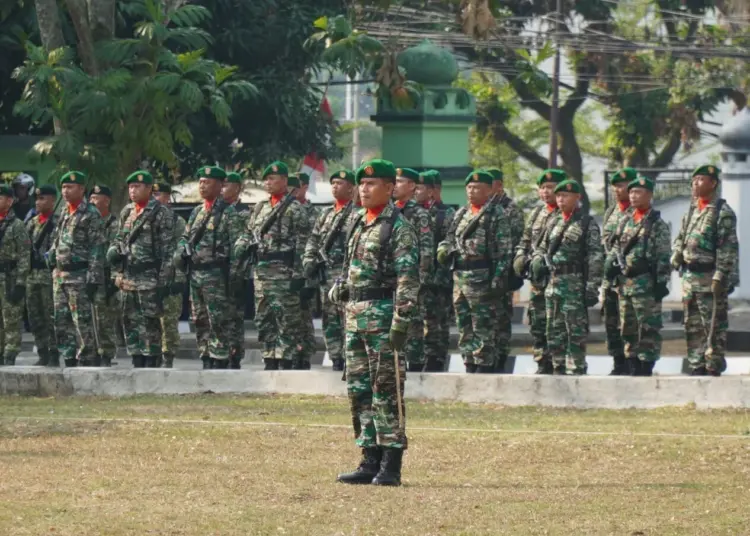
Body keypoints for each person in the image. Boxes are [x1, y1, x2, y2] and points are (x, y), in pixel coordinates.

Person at [331, 158, 419, 487]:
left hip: (383, 318)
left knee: (386, 391)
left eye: (371, 184)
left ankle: (391, 464)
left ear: (389, 188)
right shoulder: (358, 221)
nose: (364, 190)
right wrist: (341, 288)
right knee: (359, 392)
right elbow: (351, 268)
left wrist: (401, 322)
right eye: (362, 184)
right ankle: (368, 458)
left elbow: (408, 279)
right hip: (355, 316)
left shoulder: (398, 227)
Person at [235, 162, 308, 370]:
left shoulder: (295, 209)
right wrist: (241, 247)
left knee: (286, 317)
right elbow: (248, 233)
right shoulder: (260, 207)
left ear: (285, 181)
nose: (268, 183)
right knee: (264, 317)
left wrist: (299, 275)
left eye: (273, 179)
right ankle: (269, 355)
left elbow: (303, 244)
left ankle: (286, 357)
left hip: (284, 272)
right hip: (262, 271)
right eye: (266, 179)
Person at [437, 170, 512, 373]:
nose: (472, 191)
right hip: (460, 277)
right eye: (469, 187)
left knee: (483, 325)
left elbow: (504, 252)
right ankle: (468, 361)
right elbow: (449, 238)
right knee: (464, 324)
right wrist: (443, 249)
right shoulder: (462, 213)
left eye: (477, 187)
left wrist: (498, 279)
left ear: (489, 190)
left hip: (482, 278)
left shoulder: (496, 215)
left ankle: (484, 364)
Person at [671, 165, 739, 376]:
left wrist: (721, 274)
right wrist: (676, 253)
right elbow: (681, 238)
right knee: (692, 324)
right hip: (690, 277)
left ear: (713, 183)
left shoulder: (721, 212)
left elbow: (727, 247)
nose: (695, 184)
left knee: (712, 325)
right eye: (694, 180)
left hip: (710, 277)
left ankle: (713, 365)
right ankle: (696, 363)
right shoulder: (692, 210)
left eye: (700, 180)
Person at [531, 179, 603, 375]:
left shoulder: (586, 223)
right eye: (559, 195)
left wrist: (592, 287)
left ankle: (577, 368)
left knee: (575, 330)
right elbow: (541, 248)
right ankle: (557, 367)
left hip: (574, 284)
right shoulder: (553, 222)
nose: (561, 199)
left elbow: (595, 257)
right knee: (553, 330)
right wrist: (537, 261)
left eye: (566, 196)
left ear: (577, 198)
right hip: (552, 284)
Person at [605, 176, 671, 376]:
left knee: (648, 326)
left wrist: (661, 282)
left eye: (638, 192)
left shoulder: (656, 223)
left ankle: (646, 363)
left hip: (646, 283)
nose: (633, 196)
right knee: (627, 326)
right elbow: (614, 245)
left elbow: (663, 255)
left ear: (649, 195)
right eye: (631, 192)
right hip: (625, 283)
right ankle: (631, 360)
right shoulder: (625, 220)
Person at [176, 166, 241, 369]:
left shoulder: (229, 213)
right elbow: (185, 238)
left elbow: (237, 247)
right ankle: (205, 353)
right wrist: (180, 252)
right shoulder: (196, 211)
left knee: (219, 318)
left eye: (208, 182)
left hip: (217, 274)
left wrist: (234, 277)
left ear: (220, 185)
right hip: (196, 273)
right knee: (199, 318)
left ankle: (220, 356)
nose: (203, 186)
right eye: (201, 182)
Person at [108, 171, 173, 368]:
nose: (132, 191)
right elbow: (119, 239)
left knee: (149, 322)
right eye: (130, 187)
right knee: (130, 321)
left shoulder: (160, 213)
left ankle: (152, 360)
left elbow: (167, 251)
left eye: (137, 187)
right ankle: (136, 358)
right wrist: (116, 269)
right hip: (128, 277)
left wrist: (164, 281)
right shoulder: (127, 211)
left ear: (148, 188)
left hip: (149, 277)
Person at [48, 171, 106, 367]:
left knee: (82, 321)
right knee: (61, 321)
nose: (65, 191)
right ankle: (69, 358)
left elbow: (97, 247)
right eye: (63, 187)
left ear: (81, 189)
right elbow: (58, 239)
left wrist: (94, 278)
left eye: (70, 187)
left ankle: (87, 360)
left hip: (80, 275)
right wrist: (52, 257)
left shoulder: (91, 213)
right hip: (60, 275)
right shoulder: (64, 211)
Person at [302, 169, 357, 372]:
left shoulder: (357, 213)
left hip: (347, 275)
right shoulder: (325, 214)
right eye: (333, 183)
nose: (335, 186)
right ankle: (336, 357)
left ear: (352, 188)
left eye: (340, 183)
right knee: (329, 317)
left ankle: (350, 357)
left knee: (347, 317)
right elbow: (313, 240)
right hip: (327, 275)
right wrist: (309, 259)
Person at [512, 170, 564, 374]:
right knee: (537, 321)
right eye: (542, 188)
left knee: (558, 323)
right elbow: (525, 242)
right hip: (537, 281)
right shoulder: (535, 214)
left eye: (550, 187)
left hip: (558, 279)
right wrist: (519, 257)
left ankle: (560, 363)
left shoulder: (566, 215)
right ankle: (542, 363)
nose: (545, 191)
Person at [392, 167, 433, 372]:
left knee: (413, 323)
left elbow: (426, 250)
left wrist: (421, 280)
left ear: (411, 186)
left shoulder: (419, 213)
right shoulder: (389, 210)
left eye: (400, 181)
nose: (395, 185)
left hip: (411, 278)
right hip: (391, 276)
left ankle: (416, 366)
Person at [487, 167, 524, 372]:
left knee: (500, 317)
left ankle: (501, 357)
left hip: (503, 272)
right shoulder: (484, 209)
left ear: (498, 186)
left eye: (488, 185)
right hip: (483, 274)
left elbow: (514, 241)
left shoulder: (510, 209)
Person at [601, 168, 635, 375]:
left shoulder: (639, 212)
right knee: (611, 322)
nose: (617, 189)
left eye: (622, 185)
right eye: (615, 186)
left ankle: (633, 362)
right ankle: (617, 362)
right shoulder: (611, 212)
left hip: (629, 278)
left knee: (629, 322)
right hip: (610, 279)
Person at [422, 170, 454, 372]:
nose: (417, 191)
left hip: (439, 280)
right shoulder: (415, 212)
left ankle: (436, 360)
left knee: (437, 324)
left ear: (433, 190)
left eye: (421, 188)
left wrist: (437, 278)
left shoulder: (447, 214)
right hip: (420, 279)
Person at [153, 182, 187, 368]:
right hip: (150, 278)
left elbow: (180, 252)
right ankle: (154, 355)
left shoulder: (177, 222)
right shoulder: (147, 220)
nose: (155, 198)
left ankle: (168, 357)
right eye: (153, 194)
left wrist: (176, 278)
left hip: (171, 279)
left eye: (159, 194)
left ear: (168, 198)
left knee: (168, 321)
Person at [26, 185, 60, 367]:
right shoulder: (31, 223)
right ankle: (42, 352)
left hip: (49, 275)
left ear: (53, 200)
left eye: (43, 199)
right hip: (32, 275)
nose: (38, 202)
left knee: (50, 316)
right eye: (37, 199)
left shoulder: (58, 222)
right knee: (35, 316)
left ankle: (54, 353)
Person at [89, 185, 120, 366]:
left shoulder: (115, 224)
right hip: (91, 277)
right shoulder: (89, 223)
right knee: (89, 317)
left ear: (107, 200)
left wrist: (114, 279)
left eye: (96, 198)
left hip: (107, 277)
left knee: (105, 319)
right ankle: (92, 353)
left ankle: (107, 355)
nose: (92, 201)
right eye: (91, 198)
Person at [0, 184, 30, 366]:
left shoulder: (17, 225)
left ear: (9, 201)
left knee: (10, 319)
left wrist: (20, 282)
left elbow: (24, 255)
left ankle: (10, 355)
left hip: (10, 278)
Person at [291, 172, 318, 370]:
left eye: (297, 186)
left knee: (304, 315)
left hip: (306, 271)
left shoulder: (313, 212)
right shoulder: (284, 211)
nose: (293, 190)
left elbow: (315, 245)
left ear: (305, 187)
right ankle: (292, 352)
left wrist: (310, 279)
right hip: (286, 271)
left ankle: (305, 354)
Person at [222, 172, 250, 368]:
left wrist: (238, 272)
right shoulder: (218, 211)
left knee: (234, 316)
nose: (223, 189)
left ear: (237, 188)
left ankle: (235, 353)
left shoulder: (244, 213)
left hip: (236, 272)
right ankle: (221, 352)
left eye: (227, 185)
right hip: (218, 273)